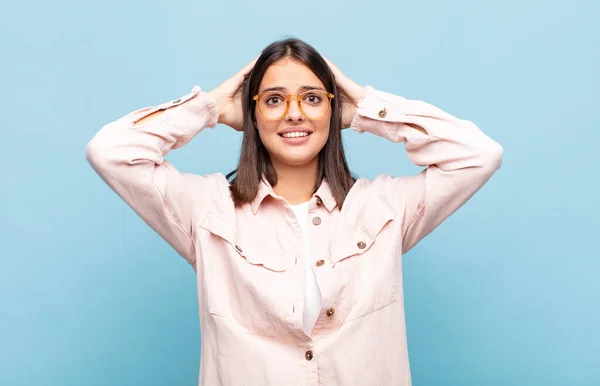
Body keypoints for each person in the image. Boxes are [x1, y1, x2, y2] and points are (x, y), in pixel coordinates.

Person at [86, 37, 503, 386]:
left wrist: (368, 111)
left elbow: (479, 154)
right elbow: (111, 151)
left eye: (312, 98)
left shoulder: (384, 207)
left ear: (332, 109)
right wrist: (209, 108)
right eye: (273, 100)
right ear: (252, 114)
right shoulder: (206, 210)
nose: (294, 113)